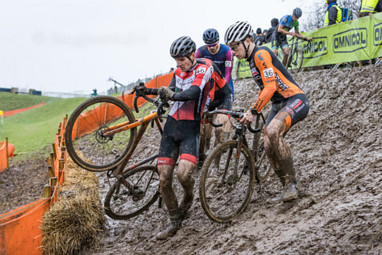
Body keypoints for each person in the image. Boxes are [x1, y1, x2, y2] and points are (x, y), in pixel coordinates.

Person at [135, 36, 229, 240]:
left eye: (182, 60)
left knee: (184, 175)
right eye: (175, 60)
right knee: (164, 179)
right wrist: (147, 91)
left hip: (191, 127)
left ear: (193, 55)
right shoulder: (178, 71)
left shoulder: (204, 68)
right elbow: (169, 91)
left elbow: (193, 92)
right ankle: (174, 220)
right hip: (172, 127)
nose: (178, 64)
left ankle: (189, 195)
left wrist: (171, 96)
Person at [225, 21, 310, 203]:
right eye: (230, 48)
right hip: (278, 104)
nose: (232, 52)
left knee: (272, 132)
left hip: (294, 100)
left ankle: (292, 185)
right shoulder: (251, 59)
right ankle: (286, 187)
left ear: (247, 41)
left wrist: (254, 111)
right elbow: (264, 87)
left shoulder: (261, 54)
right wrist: (253, 108)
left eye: (235, 47)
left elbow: (271, 87)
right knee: (267, 142)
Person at [196, 28, 234, 161]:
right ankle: (206, 148)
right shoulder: (200, 52)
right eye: (209, 46)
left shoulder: (227, 51)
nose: (211, 48)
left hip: (223, 84)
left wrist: (222, 86)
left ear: (218, 41)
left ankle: (220, 148)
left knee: (220, 122)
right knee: (206, 124)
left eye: (214, 45)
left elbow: (228, 73)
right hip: (208, 87)